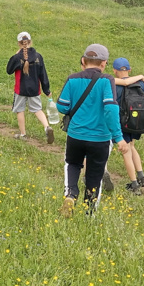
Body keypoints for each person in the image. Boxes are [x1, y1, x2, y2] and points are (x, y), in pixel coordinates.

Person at [56, 44, 128, 217]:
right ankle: (89, 212)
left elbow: (62, 106)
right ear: (103, 64)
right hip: (100, 138)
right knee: (95, 173)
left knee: (72, 164)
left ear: (83, 60)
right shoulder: (106, 80)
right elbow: (110, 109)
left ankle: (71, 195)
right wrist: (119, 138)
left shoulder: (72, 79)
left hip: (75, 135)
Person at [6, 31, 54, 144]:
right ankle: (47, 127)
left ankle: (23, 134)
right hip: (34, 89)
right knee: (37, 109)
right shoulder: (38, 57)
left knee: (19, 110)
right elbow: (43, 74)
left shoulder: (17, 57)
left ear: (19, 43)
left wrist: (15, 56)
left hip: (20, 89)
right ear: (30, 42)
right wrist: (46, 90)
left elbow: (9, 70)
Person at [112, 57, 144, 194]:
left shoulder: (115, 84)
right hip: (137, 122)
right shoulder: (140, 84)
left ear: (114, 70)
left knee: (126, 151)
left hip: (122, 122)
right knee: (132, 146)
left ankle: (134, 185)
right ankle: (142, 176)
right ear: (129, 70)